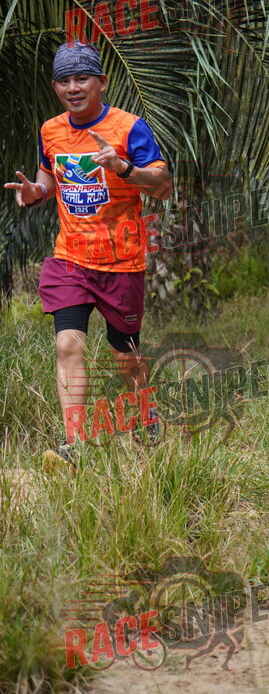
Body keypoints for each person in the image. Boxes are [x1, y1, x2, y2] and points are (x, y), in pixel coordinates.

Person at [4, 42, 172, 470]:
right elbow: (48, 181)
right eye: (64, 80)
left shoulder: (130, 127)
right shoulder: (50, 130)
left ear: (102, 82)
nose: (73, 88)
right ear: (55, 87)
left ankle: (144, 412)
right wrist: (36, 192)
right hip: (70, 258)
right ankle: (73, 444)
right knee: (67, 344)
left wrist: (123, 168)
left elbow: (163, 185)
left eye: (82, 78)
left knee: (125, 355)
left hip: (121, 263)